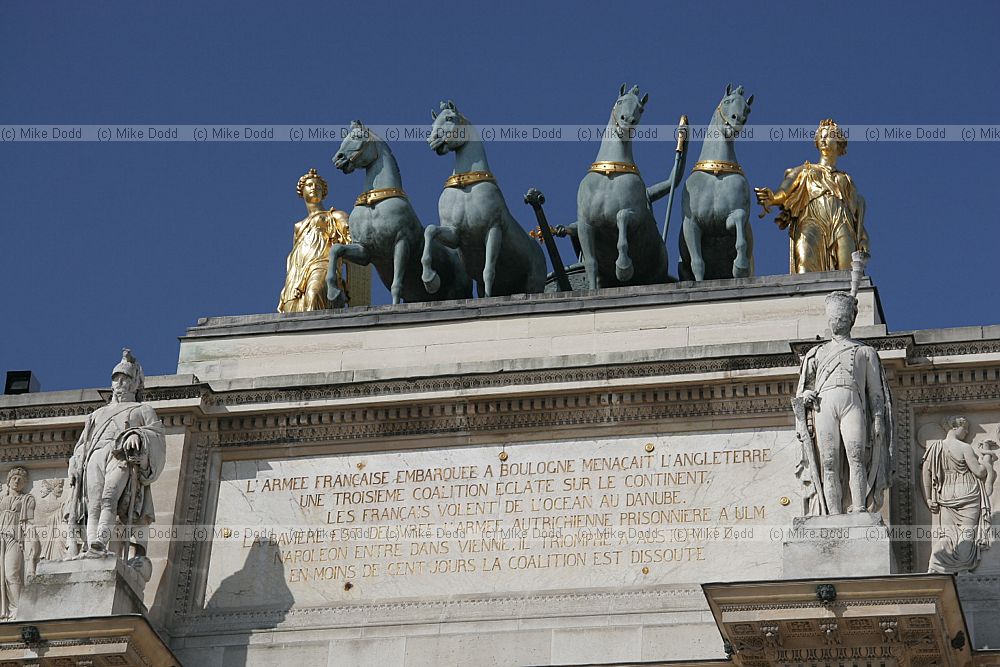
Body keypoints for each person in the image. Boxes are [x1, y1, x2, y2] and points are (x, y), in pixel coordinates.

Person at [65, 350, 165, 578]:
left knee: (109, 496)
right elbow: (83, 443)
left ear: (134, 384)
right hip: (96, 456)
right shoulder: (97, 414)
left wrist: (137, 436)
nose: (120, 383)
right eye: (117, 378)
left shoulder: (143, 410)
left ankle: (101, 540)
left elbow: (156, 435)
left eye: (125, 379)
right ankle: (91, 546)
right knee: (93, 503)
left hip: (120, 456)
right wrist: (75, 461)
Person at [795, 291, 892, 514]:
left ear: (850, 320)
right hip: (823, 406)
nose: (837, 322)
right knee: (828, 462)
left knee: (856, 456)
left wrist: (878, 419)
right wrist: (806, 396)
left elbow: (876, 392)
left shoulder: (865, 351)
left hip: (853, 405)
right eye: (833, 319)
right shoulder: (816, 353)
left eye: (841, 318)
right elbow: (804, 389)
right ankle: (833, 512)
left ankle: (858, 507)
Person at [755, 119, 868, 273]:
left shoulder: (845, 179)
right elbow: (786, 189)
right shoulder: (806, 170)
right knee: (804, 259)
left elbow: (856, 214)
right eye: (820, 136)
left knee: (847, 271)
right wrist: (773, 198)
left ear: (839, 143)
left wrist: (863, 237)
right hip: (812, 219)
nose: (823, 139)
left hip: (841, 222)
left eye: (828, 136)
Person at [922, 416, 998, 573]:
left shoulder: (935, 448)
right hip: (968, 494)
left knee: (948, 536)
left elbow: (925, 473)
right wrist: (987, 457)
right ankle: (963, 569)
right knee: (966, 534)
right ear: (955, 427)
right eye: (966, 428)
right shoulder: (964, 448)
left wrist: (928, 498)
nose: (968, 431)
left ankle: (936, 564)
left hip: (946, 496)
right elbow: (979, 471)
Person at [278, 168, 351, 312]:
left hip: (323, 264)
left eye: (318, 186)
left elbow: (353, 239)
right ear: (302, 191)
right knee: (291, 308)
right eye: (310, 185)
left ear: (323, 193)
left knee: (314, 294)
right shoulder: (298, 227)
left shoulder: (335, 216)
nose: (314, 188)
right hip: (298, 272)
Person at [0, 467, 37, 620]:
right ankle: (6, 610)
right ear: (8, 481)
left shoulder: (27, 499)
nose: (17, 481)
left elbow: (29, 522)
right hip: (0, 537)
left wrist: (32, 541)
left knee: (11, 574)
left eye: (20, 480)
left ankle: (17, 609)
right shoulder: (2, 499)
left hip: (15, 539)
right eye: (14, 478)